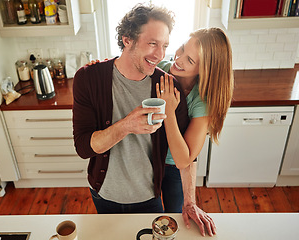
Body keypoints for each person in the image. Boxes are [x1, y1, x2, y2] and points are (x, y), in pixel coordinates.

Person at [72, 4, 189, 214]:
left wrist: (189, 201)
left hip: (149, 196)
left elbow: (183, 155)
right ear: (127, 40)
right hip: (103, 192)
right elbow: (83, 147)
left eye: (164, 46)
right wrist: (126, 125)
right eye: (153, 43)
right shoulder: (88, 78)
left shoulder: (169, 88)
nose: (160, 54)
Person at [156, 27, 234, 235]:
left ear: (205, 70)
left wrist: (169, 110)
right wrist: (97, 69)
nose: (178, 59)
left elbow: (184, 160)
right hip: (148, 160)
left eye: (189, 60)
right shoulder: (163, 68)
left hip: (173, 168)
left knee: (175, 222)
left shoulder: (202, 100)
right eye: (181, 49)